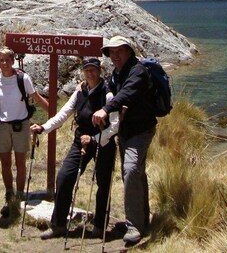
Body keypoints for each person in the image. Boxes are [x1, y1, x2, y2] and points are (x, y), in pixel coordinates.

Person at [31, 56, 119, 239]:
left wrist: (95, 138)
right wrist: (44, 127)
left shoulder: (108, 93)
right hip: (80, 141)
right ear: (83, 72)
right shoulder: (80, 90)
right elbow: (63, 114)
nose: (90, 73)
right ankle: (58, 225)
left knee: (103, 183)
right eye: (87, 70)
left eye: (93, 69)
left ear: (99, 71)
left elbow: (116, 124)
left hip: (103, 142)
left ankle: (99, 225)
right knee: (64, 177)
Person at [92, 35, 156, 246]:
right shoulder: (116, 73)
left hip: (140, 131)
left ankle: (134, 226)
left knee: (130, 171)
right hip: (125, 131)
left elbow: (127, 93)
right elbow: (112, 90)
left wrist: (106, 108)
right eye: (111, 52)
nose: (115, 55)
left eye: (119, 51)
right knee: (135, 173)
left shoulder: (138, 71)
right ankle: (142, 220)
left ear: (128, 51)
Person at [0, 47, 49, 217]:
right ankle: (9, 195)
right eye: (1, 60)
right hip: (1, 126)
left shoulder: (23, 78)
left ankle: (20, 195)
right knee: (5, 164)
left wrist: (55, 115)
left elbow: (36, 98)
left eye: (8, 59)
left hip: (21, 125)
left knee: (20, 163)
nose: (5, 63)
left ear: (13, 61)